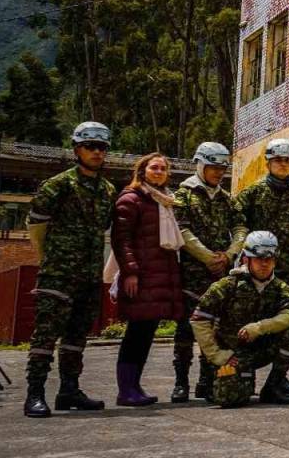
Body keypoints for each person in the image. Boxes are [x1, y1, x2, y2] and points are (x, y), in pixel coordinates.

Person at [23, 122, 115, 418]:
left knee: (77, 337)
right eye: (90, 147)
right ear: (77, 149)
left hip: (88, 274)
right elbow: (36, 224)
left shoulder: (107, 189)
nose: (97, 152)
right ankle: (34, 393)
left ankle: (69, 390)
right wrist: (47, 257)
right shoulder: (58, 184)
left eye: (102, 147)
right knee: (45, 336)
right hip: (58, 273)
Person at [190, 231, 289, 408]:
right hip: (232, 355)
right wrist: (217, 355)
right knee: (229, 399)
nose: (264, 264)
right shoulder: (227, 286)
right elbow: (199, 319)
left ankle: (273, 386)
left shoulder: (282, 289)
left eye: (270, 259)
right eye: (258, 259)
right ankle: (217, 379)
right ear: (245, 259)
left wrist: (259, 327)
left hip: (261, 350)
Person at [110, 152, 186, 407]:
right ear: (142, 171)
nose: (159, 172)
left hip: (159, 275)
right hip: (141, 276)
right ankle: (126, 389)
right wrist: (130, 271)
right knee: (136, 333)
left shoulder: (163, 201)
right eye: (154, 168)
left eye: (163, 169)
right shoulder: (131, 199)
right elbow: (122, 239)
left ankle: (134, 386)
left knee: (146, 333)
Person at [171, 141, 241, 403]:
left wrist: (230, 254)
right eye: (212, 167)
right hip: (192, 273)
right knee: (186, 330)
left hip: (220, 273)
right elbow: (182, 230)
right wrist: (207, 256)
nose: (217, 172)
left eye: (222, 168)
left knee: (214, 330)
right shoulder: (184, 194)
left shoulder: (225, 199)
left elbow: (240, 228)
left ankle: (207, 381)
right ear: (199, 164)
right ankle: (181, 383)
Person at [233, 138, 289, 289]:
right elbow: (237, 223)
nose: (283, 164)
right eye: (278, 160)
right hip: (255, 263)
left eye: (287, 160)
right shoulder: (253, 192)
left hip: (286, 267)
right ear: (268, 163)